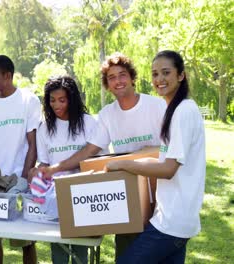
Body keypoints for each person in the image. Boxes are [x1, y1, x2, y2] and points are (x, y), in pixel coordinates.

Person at [40, 52, 167, 260]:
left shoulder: (157, 106)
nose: (118, 81)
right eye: (111, 78)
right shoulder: (107, 114)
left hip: (163, 197)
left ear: (132, 77)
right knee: (126, 256)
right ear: (107, 84)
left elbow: (172, 150)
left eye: (122, 75)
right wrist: (55, 168)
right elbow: (90, 151)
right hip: (130, 199)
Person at [106, 50, 206, 263]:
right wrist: (130, 163)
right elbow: (164, 161)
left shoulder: (183, 112)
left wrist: (125, 163)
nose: (159, 79)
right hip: (176, 220)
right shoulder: (175, 110)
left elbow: (168, 170)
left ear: (181, 75)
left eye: (166, 72)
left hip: (171, 222)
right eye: (155, 74)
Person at [0, 55, 41, 264]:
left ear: (8, 76)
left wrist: (23, 179)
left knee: (25, 241)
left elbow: (33, 144)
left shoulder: (28, 101)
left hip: (18, 179)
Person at [29, 76, 98, 264]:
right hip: (54, 198)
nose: (56, 105)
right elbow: (44, 163)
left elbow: (98, 160)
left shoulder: (89, 123)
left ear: (72, 99)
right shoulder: (44, 129)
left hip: (83, 197)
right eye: (52, 100)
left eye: (62, 100)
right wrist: (37, 171)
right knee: (58, 253)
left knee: (80, 254)